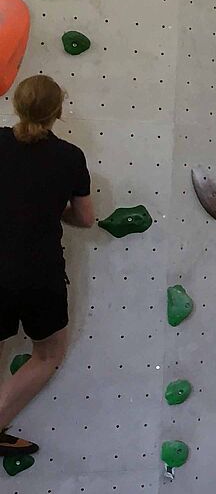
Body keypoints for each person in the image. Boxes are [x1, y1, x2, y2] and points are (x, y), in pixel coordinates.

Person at [0, 75, 95, 456]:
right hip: (40, 273)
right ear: (59, 110)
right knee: (48, 353)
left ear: (16, 104)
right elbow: (85, 218)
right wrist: (52, 211)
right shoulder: (71, 157)